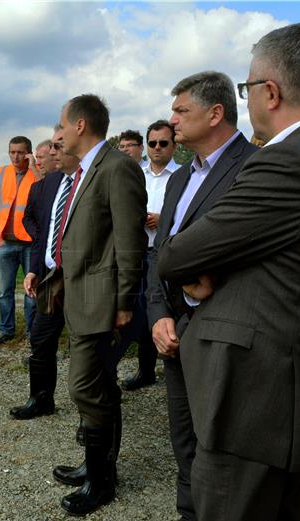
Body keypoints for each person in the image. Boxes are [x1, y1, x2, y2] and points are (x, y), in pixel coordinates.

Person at [157, 21, 300, 521]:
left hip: (254, 400)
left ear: (271, 92)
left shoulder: (286, 161)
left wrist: (197, 273)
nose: (250, 99)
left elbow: (175, 256)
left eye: (248, 88)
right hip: (295, 388)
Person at [141, 71, 258, 521]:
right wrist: (159, 314)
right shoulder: (179, 179)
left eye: (181, 110)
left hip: (223, 330)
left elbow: (252, 259)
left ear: (215, 114)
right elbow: (159, 253)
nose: (172, 120)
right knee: (185, 436)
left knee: (223, 443)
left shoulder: (255, 168)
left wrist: (192, 298)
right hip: (174, 331)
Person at [47, 94, 146, 516]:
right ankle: (94, 467)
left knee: (85, 387)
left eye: (62, 125)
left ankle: (102, 480)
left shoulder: (117, 167)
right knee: (97, 384)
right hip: (81, 296)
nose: (59, 133)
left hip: (103, 299)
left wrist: (124, 301)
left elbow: (130, 239)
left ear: (81, 125)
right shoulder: (90, 168)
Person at [9, 130, 79, 420]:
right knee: (40, 337)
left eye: (57, 148)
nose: (50, 154)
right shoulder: (48, 184)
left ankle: (94, 414)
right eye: (52, 148)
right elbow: (42, 234)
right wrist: (35, 269)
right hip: (52, 278)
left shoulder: (89, 181)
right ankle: (40, 400)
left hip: (82, 278)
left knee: (87, 347)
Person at [123, 120, 180, 392]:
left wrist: (163, 218)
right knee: (142, 313)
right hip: (138, 252)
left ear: (174, 145)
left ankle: (176, 371)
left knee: (170, 310)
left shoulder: (183, 176)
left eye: (163, 143)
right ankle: (145, 370)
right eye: (152, 143)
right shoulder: (137, 174)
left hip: (169, 253)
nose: (157, 148)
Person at [0, 136, 38, 346]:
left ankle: (31, 334)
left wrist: (35, 167)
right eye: (12, 152)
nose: (15, 156)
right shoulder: (1, 173)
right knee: (4, 292)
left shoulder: (37, 174)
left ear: (29, 153)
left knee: (31, 292)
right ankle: (5, 329)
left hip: (29, 243)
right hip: (6, 243)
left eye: (20, 152)